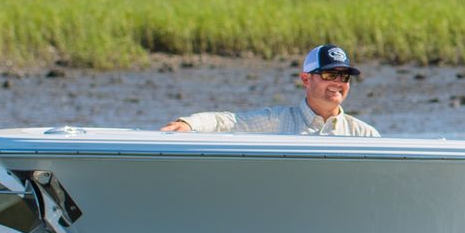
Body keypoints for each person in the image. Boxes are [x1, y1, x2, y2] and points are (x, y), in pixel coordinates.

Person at [162, 43, 382, 137]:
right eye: (329, 75)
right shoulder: (277, 121)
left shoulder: (365, 134)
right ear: (306, 79)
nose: (337, 82)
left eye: (344, 76)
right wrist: (189, 123)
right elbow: (230, 121)